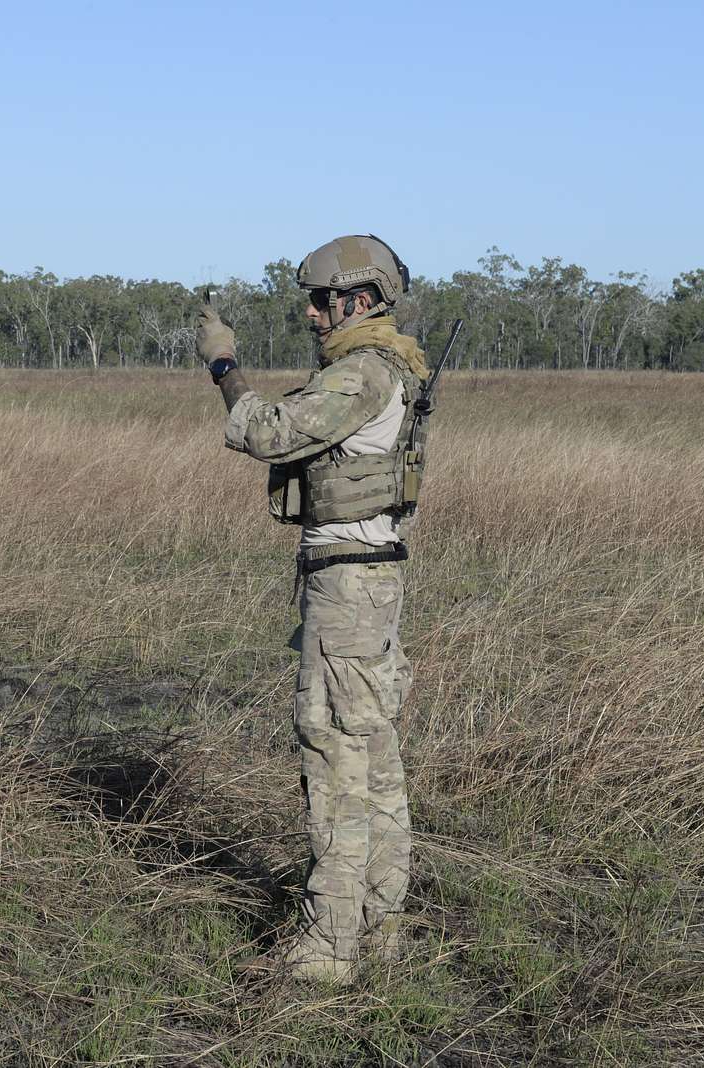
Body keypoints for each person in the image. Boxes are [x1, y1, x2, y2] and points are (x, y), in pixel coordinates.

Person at [196, 234, 427, 983]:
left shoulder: (362, 373)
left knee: (334, 753)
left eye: (321, 300)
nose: (310, 312)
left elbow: (268, 432)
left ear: (359, 301)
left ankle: (329, 947)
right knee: (374, 750)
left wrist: (223, 366)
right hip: (368, 578)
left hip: (349, 586)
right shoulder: (385, 367)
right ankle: (379, 923)